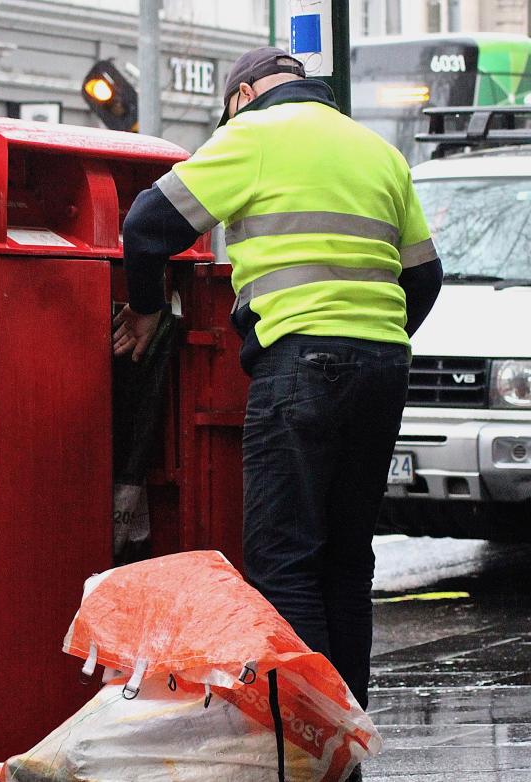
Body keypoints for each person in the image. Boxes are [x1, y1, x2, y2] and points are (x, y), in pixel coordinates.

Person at [113, 45, 442, 758]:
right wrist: (370, 337)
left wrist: (145, 310)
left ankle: (307, 746)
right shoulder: (374, 149)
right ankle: (344, 747)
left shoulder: (253, 136)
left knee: (284, 562)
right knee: (347, 563)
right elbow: (426, 277)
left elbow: (145, 226)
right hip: (382, 365)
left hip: (301, 364)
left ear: (246, 94)